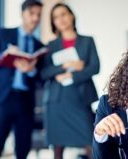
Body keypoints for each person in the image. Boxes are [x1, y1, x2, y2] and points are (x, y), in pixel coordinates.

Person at [0, 1, 43, 159]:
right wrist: (3, 54)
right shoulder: (4, 34)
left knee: (23, 148)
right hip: (4, 98)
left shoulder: (38, 45)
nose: (35, 18)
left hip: (25, 101)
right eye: (31, 13)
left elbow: (41, 79)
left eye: (38, 15)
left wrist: (32, 70)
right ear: (22, 14)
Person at [39, 3, 100, 159]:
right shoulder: (51, 46)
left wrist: (73, 76)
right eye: (56, 17)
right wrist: (64, 67)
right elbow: (44, 73)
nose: (61, 19)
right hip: (57, 101)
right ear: (53, 22)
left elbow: (95, 67)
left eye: (64, 14)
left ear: (72, 15)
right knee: (58, 147)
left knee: (90, 140)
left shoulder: (87, 41)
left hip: (80, 98)